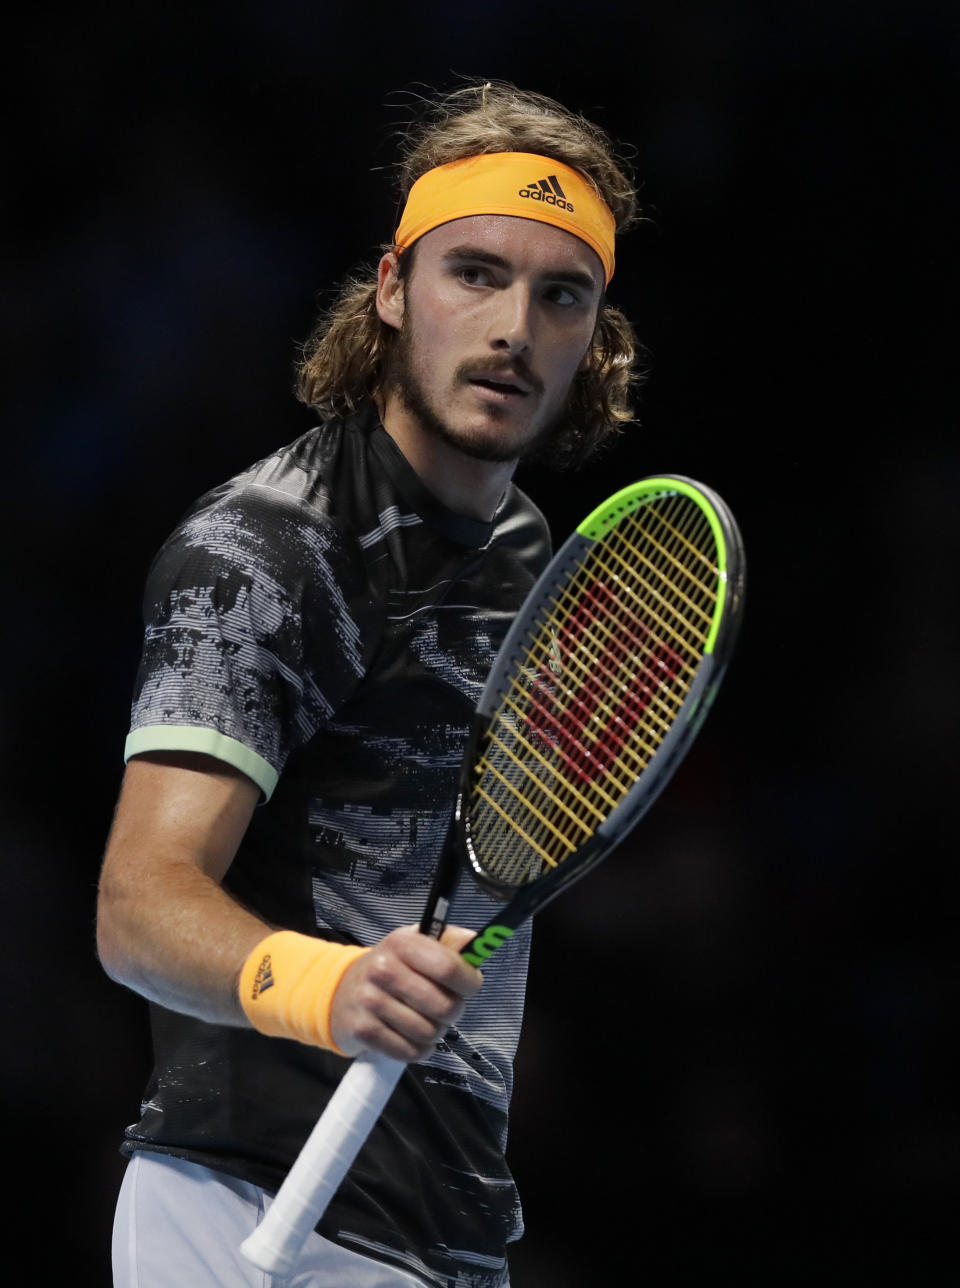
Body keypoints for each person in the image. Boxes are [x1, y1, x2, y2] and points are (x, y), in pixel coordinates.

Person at [97, 80, 641, 1288]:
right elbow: (136, 904)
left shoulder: (524, 555)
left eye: (563, 295)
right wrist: (330, 987)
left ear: (595, 338)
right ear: (393, 291)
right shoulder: (267, 548)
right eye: (475, 274)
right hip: (245, 1209)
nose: (514, 326)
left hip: (432, 1220)